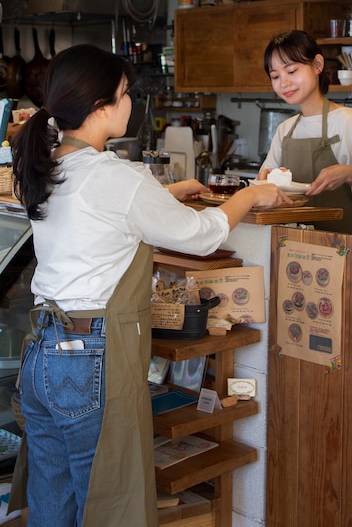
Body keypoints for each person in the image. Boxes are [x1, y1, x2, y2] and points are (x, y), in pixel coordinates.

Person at [9, 44, 291, 527]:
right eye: (123, 94)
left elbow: (95, 213)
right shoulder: (116, 177)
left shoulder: (49, 163)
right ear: (100, 107)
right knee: (107, 502)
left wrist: (163, 195)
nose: (129, 104)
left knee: (53, 505)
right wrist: (252, 194)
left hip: (42, 354)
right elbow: (202, 237)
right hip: (89, 357)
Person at [259, 29, 352, 236]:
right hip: (296, 247)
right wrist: (265, 181)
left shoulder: (347, 121)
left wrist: (349, 174)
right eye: (275, 76)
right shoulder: (285, 130)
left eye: (292, 71)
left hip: (348, 247)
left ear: (317, 65)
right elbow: (264, 185)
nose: (283, 83)